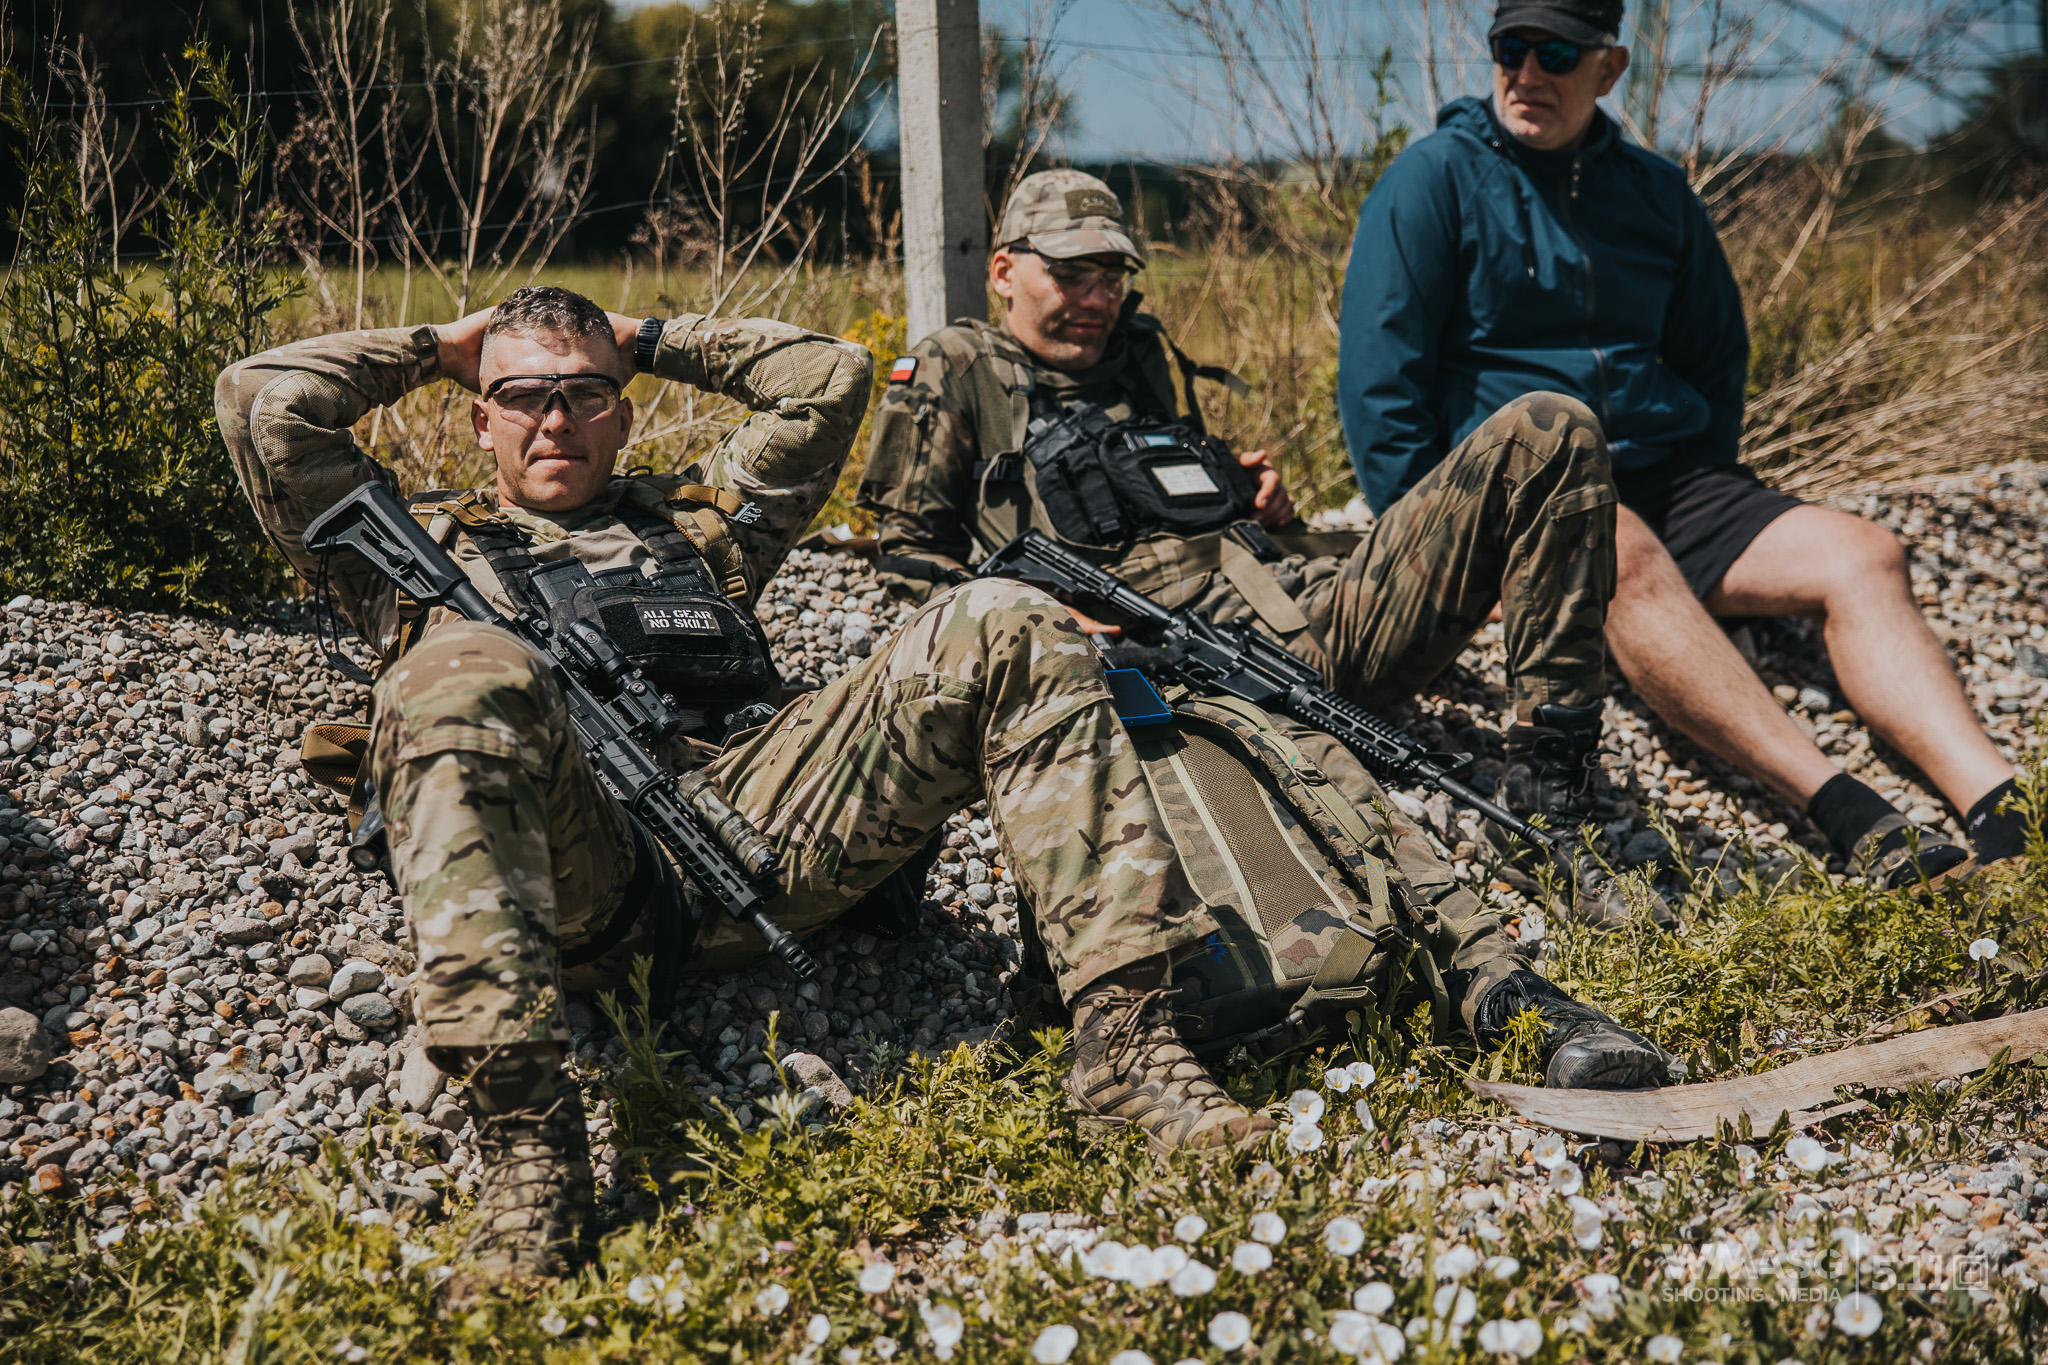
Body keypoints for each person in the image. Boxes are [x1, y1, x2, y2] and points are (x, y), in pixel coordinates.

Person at [217, 286, 1297, 1296]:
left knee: (1008, 613)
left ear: (622, 412)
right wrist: (439, 347)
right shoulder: (407, 552)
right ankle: (530, 1140)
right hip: (580, 879)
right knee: (453, 667)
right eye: (523, 395)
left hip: (775, 834)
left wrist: (640, 337)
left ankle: (1124, 1046)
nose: (555, 420)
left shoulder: (702, 527)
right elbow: (260, 401)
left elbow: (827, 377)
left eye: (585, 393)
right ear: (478, 416)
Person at [861, 173, 1663, 1059]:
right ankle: (1498, 987)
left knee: (1550, 426)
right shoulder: (957, 367)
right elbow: (910, 568)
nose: (1096, 299)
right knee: (1344, 805)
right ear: (1004, 270)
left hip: (1312, 603)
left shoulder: (1137, 353)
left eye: (1113, 277)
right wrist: (1045, 635)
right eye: (1071, 274)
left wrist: (1256, 502)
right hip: (1188, 668)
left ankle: (1549, 802)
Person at [1338, 0, 2038, 889]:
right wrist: (1447, 569)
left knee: (1866, 554)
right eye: (1511, 49)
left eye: (1558, 54)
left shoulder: (1657, 192)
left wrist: (1707, 473)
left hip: (1673, 474)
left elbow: (1714, 357)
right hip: (1529, 497)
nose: (1528, 73)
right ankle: (1849, 810)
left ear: (1610, 68)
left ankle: (2005, 805)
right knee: (1623, 549)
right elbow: (1380, 387)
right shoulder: (1431, 179)